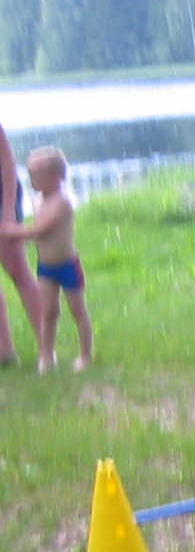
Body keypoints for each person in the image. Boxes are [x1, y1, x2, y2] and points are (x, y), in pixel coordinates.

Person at [0, 146, 90, 373]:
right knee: (49, 312)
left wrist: (12, 230)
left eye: (36, 176)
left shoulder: (61, 203)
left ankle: (85, 356)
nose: (31, 181)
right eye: (30, 175)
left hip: (67, 266)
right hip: (46, 268)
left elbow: (39, 229)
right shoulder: (39, 201)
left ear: (55, 177)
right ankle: (46, 356)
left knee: (77, 310)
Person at [0, 121, 45, 367]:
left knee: (16, 268)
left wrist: (8, 212)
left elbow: (7, 163)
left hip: (2, 196)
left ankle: (46, 348)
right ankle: (4, 351)